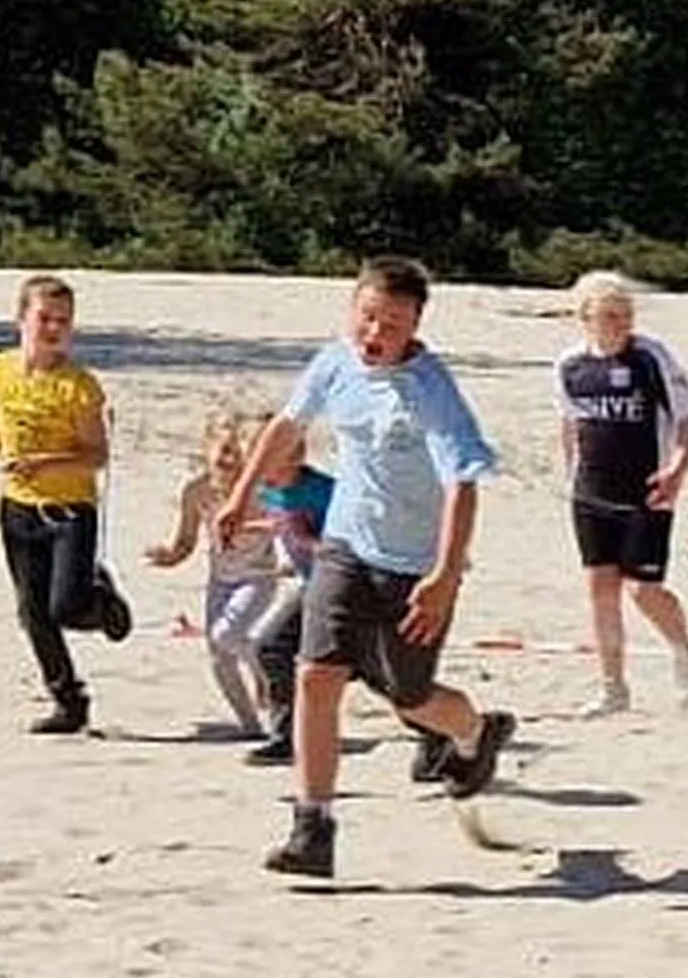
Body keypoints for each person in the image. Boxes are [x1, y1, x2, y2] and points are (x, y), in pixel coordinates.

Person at [214, 256, 517, 879]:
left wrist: (444, 577)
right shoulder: (334, 362)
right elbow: (286, 425)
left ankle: (475, 732)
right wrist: (241, 495)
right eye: (368, 316)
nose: (376, 332)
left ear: (415, 326)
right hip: (344, 547)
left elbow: (462, 485)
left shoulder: (430, 391)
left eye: (393, 323)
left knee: (409, 698)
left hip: (415, 567)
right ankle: (313, 827)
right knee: (315, 677)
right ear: (353, 308)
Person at [0, 273, 132, 735]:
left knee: (66, 608)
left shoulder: (79, 385)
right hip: (18, 510)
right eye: (45, 318)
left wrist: (45, 461)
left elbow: (96, 455)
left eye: (64, 321)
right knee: (33, 613)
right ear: (21, 319)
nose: (54, 328)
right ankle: (68, 701)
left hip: (70, 511)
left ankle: (102, 602)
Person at [554, 271, 688, 715]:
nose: (620, 323)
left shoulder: (649, 357)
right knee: (601, 588)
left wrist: (676, 470)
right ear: (585, 317)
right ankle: (613, 687)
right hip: (591, 491)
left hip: (647, 489)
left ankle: (684, 649)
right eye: (609, 315)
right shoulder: (570, 365)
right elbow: (570, 424)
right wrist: (571, 479)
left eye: (625, 314)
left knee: (644, 588)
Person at [143, 408, 287, 738]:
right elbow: (185, 542)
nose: (230, 460)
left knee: (226, 635)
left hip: (259, 577)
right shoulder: (196, 491)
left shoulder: (259, 489)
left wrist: (269, 537)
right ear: (205, 449)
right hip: (220, 581)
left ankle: (263, 668)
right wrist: (168, 556)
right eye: (223, 451)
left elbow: (285, 524)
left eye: (238, 453)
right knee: (218, 655)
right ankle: (250, 726)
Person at [241, 460, 337, 767]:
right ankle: (285, 737)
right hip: (311, 585)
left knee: (373, 668)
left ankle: (437, 731)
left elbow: (347, 545)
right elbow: (283, 524)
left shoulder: (323, 490)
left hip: (340, 583)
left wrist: (307, 539)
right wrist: (251, 528)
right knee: (270, 647)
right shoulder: (267, 490)